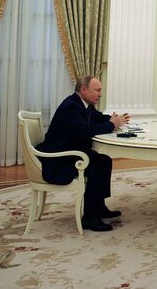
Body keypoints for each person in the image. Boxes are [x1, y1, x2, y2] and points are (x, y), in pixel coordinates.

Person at [36, 76, 130, 232]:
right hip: (59, 159)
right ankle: (89, 218)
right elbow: (84, 131)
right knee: (95, 166)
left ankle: (99, 207)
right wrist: (111, 124)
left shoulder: (85, 105)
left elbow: (99, 118)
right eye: (97, 90)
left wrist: (116, 119)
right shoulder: (71, 106)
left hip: (71, 153)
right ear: (84, 90)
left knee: (104, 160)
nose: (100, 94)